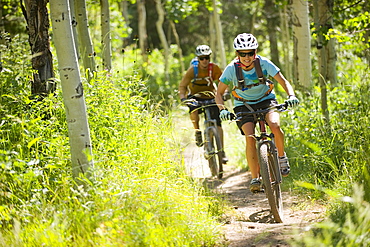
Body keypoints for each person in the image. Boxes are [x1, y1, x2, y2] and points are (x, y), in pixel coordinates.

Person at [215, 33, 299, 192]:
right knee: (250, 137)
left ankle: (281, 157)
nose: (247, 57)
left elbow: (283, 81)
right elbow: (218, 93)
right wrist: (222, 110)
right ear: (237, 54)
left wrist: (291, 95)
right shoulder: (231, 69)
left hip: (266, 100)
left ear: (255, 52)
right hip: (243, 105)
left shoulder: (264, 63)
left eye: (250, 53)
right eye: (242, 53)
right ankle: (255, 178)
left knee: (274, 125)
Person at [179, 45, 229, 163]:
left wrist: (225, 93)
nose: (204, 60)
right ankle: (197, 132)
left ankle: (221, 151)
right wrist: (182, 97)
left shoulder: (214, 68)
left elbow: (223, 82)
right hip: (195, 97)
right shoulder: (192, 70)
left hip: (211, 96)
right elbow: (182, 86)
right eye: (202, 58)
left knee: (218, 124)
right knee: (193, 110)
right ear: (198, 59)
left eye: (207, 58)